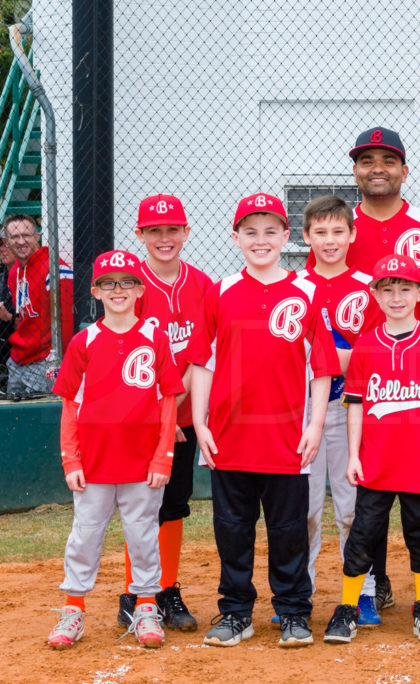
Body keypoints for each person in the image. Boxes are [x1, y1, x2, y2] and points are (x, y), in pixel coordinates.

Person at [310, 127, 420, 616]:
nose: (376, 167)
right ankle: (374, 582)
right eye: (366, 160)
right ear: (355, 170)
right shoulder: (342, 229)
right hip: (368, 380)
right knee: (372, 489)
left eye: (388, 159)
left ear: (404, 169)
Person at [186, 193, 339, 649]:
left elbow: (323, 368)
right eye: (250, 231)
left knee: (289, 530)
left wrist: (314, 426)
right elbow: (202, 364)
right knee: (232, 530)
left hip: (288, 438)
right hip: (230, 437)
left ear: (286, 236)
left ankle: (293, 612)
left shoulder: (307, 292)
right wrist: (201, 424)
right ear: (235, 238)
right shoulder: (221, 291)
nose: (261, 240)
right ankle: (236, 613)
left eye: (270, 230)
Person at [48, 250, 183, 650]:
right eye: (109, 283)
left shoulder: (155, 339)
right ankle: (74, 608)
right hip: (93, 464)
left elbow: (167, 403)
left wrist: (163, 457)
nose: (118, 290)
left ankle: (145, 606)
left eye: (126, 282)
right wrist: (70, 459)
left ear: (140, 290)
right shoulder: (84, 341)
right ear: (95, 291)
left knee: (142, 535)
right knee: (84, 537)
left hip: (142, 463)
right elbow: (70, 405)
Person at [325, 254, 420, 644]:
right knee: (363, 536)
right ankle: (348, 607)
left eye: (405, 288)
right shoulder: (366, 346)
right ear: (375, 296)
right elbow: (357, 405)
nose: (397, 296)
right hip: (375, 462)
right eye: (388, 289)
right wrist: (353, 455)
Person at [113, 195, 213, 633]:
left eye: (172, 229)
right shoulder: (129, 285)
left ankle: (167, 589)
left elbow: (201, 352)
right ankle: (136, 591)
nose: (164, 238)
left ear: (186, 232)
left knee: (173, 504)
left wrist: (172, 414)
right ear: (140, 235)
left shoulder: (203, 285)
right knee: (140, 506)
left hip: (184, 416)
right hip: (139, 419)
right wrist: (157, 417)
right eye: (154, 230)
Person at [295, 194, 383, 624]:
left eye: (338, 231)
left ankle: (361, 592)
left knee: (352, 509)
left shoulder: (368, 286)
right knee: (305, 511)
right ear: (305, 236)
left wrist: (324, 358)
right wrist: (334, 358)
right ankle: (300, 592)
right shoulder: (293, 287)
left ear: (352, 234)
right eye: (320, 232)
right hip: (304, 413)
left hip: (353, 412)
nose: (329, 241)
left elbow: (373, 354)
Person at [3, 214, 73, 394]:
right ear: (7, 241)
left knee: (42, 417)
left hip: (45, 362)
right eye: (14, 237)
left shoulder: (54, 268)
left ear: (37, 237)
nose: (20, 241)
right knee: (14, 417)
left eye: (26, 235)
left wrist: (60, 363)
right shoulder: (14, 274)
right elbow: (24, 317)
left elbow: (66, 321)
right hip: (18, 359)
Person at [0, 236, 15, 392]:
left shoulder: (28, 276)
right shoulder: (3, 277)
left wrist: (8, 317)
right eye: (1, 246)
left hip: (16, 343)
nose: (3, 250)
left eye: (7, 245)